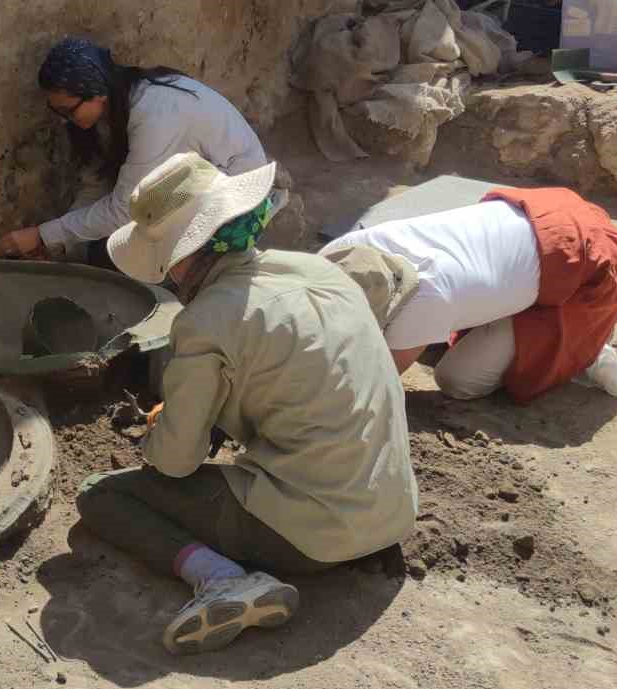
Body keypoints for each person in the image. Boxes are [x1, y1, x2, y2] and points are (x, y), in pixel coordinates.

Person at [77, 152, 417, 655]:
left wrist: (162, 429)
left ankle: (224, 580)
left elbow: (175, 463)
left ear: (183, 256)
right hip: (390, 512)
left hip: (312, 534)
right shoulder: (316, 271)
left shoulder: (206, 321)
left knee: (102, 496)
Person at [318, 188, 617, 403]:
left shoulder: (422, 297)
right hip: (542, 218)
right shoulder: (340, 251)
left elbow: (373, 388)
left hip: (582, 263)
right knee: (424, 341)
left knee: (458, 380)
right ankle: (503, 299)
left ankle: (588, 346)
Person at [0, 36, 269, 262]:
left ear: (97, 94)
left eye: (68, 111)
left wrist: (41, 236)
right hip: (192, 186)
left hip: (238, 203)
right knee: (97, 250)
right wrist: (59, 245)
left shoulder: (154, 114)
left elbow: (125, 210)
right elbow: (95, 185)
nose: (62, 119)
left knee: (116, 258)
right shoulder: (110, 111)